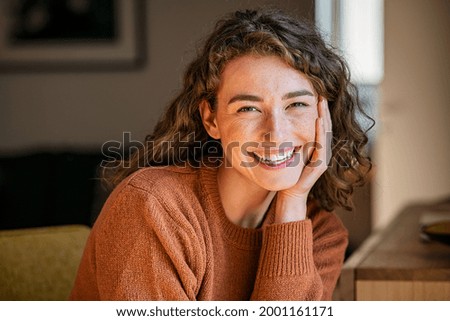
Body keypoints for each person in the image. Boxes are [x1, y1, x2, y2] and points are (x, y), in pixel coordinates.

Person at [70, 8, 372, 301]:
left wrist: (292, 206)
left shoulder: (322, 234)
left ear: (325, 116)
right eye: (248, 108)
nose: (277, 134)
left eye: (297, 105)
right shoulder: (154, 207)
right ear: (212, 120)